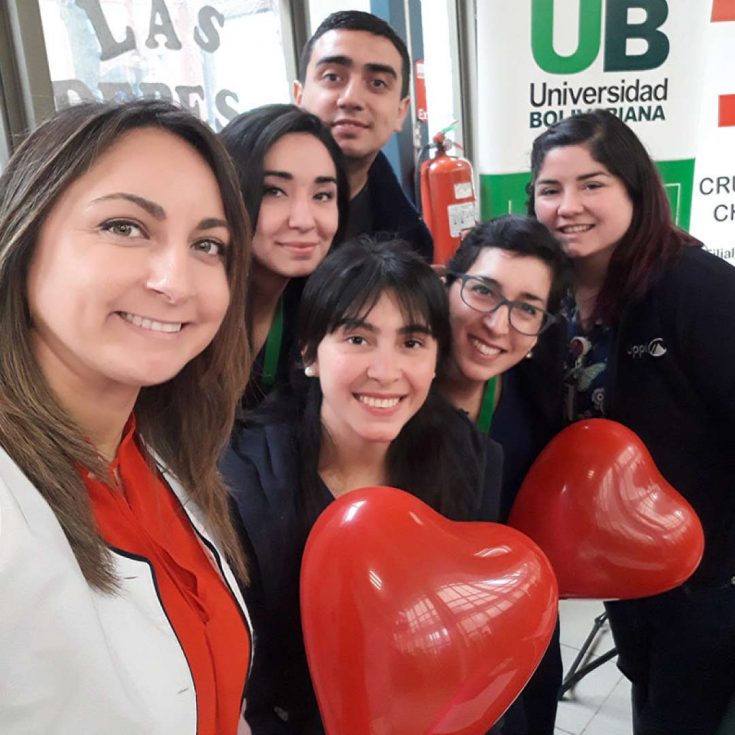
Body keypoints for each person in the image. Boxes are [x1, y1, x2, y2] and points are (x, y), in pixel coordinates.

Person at [0, 100, 254, 734]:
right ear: (24, 237)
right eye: (125, 227)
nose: (177, 282)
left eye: (207, 244)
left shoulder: (156, 451)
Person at [222, 238, 502, 733]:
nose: (385, 372)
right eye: (357, 339)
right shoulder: (242, 479)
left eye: (411, 343)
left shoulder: (470, 460)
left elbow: (476, 636)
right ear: (309, 353)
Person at [529, 109, 735, 735]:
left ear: (635, 190)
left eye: (592, 184)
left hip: (707, 574)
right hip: (625, 571)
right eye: (550, 189)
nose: (569, 206)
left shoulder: (699, 288)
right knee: (652, 699)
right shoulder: (550, 296)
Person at [440, 215, 569, 735]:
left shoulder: (535, 405)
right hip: (420, 645)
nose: (497, 324)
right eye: (483, 291)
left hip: (515, 635)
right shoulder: (388, 394)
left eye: (527, 309)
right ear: (448, 286)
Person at [220, 104, 349, 409]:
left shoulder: (317, 311)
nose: (303, 221)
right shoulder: (189, 314)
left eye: (322, 195)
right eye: (274, 191)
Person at [294, 10, 433, 261]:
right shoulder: (238, 206)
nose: (351, 98)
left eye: (377, 83)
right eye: (333, 77)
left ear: (401, 112)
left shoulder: (410, 247)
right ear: (299, 96)